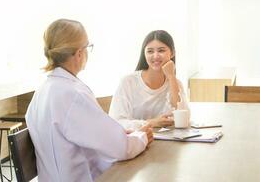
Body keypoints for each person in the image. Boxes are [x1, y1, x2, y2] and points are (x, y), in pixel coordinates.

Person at [25, 19, 153, 182]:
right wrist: (141, 138)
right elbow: (121, 149)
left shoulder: (43, 90)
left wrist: (118, 136)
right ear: (79, 53)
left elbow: (86, 135)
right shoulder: (72, 94)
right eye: (88, 47)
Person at [109, 30, 188, 130]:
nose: (155, 56)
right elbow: (116, 123)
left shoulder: (176, 84)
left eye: (161, 50)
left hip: (168, 143)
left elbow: (184, 118)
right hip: (138, 142)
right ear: (144, 54)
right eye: (150, 51)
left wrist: (172, 77)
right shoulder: (128, 82)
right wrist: (150, 123)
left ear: (172, 53)